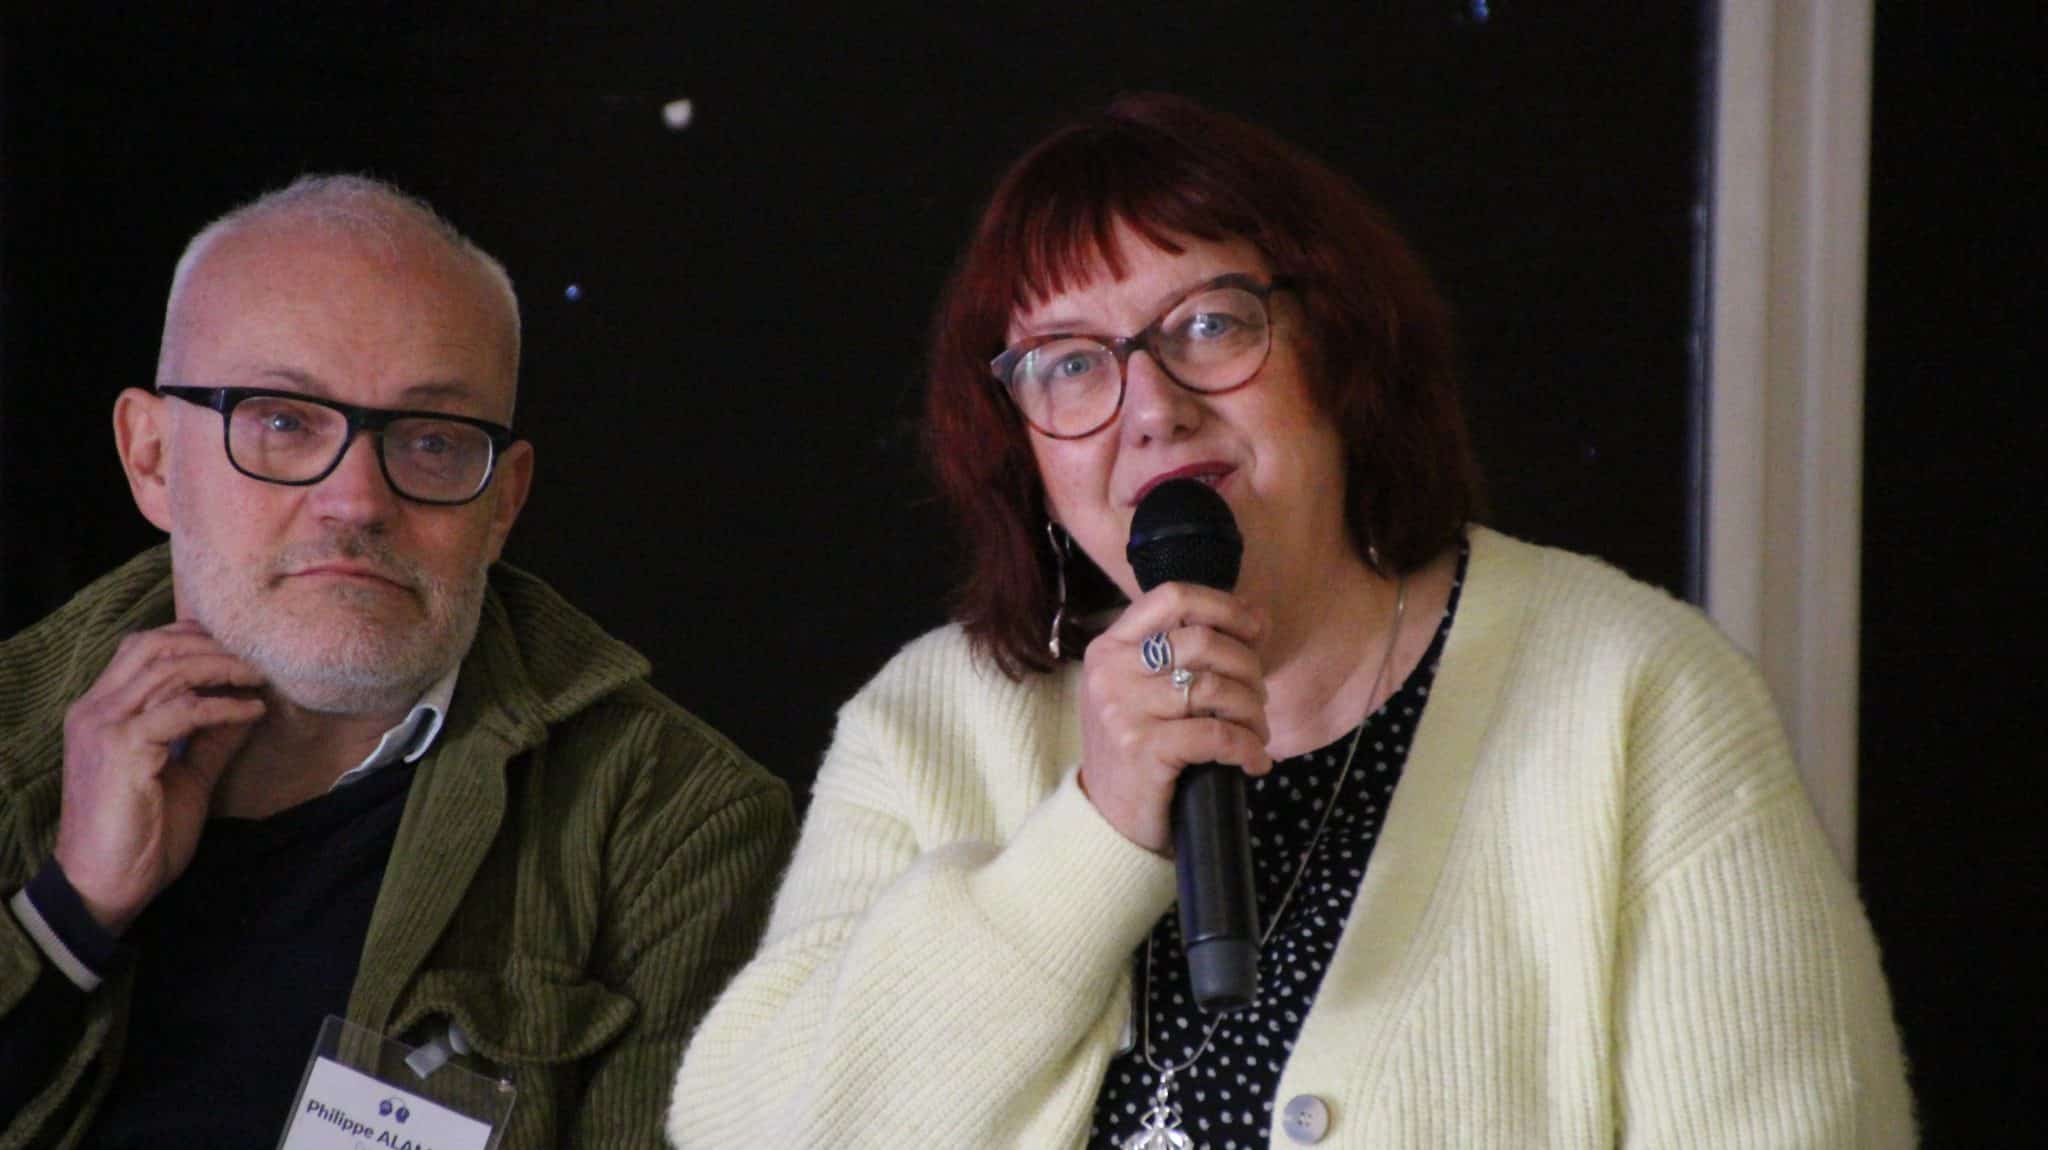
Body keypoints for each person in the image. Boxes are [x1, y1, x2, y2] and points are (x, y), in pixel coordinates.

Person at [669, 94, 1912, 1148]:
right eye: (1069, 362)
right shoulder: (935, 719)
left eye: (1207, 324)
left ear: (1337, 349)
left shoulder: (1635, 694)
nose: (1147, 408)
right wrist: (1093, 837)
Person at [0, 175, 793, 1148]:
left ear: (502, 502)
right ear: (153, 457)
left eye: (429, 440)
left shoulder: (671, 832)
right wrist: (66, 913)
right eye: (285, 421)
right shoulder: (11, 729)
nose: (357, 501)